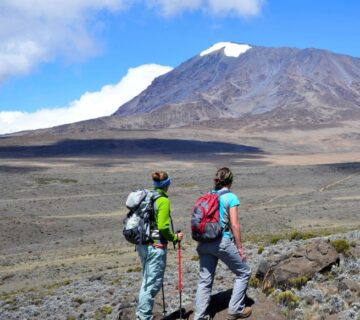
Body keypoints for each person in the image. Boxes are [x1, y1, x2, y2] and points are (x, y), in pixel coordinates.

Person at [194, 167, 252, 320]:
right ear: (230, 181)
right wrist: (240, 248)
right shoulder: (231, 197)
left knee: (205, 281)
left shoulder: (208, 195)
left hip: (204, 242)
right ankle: (236, 308)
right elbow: (234, 225)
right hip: (221, 241)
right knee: (244, 272)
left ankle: (200, 317)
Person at [136, 171, 183, 320]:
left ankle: (142, 315)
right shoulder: (163, 200)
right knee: (151, 285)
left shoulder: (149, 196)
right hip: (156, 247)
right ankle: (143, 317)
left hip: (143, 245)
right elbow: (163, 227)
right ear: (167, 184)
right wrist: (175, 237)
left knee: (147, 280)